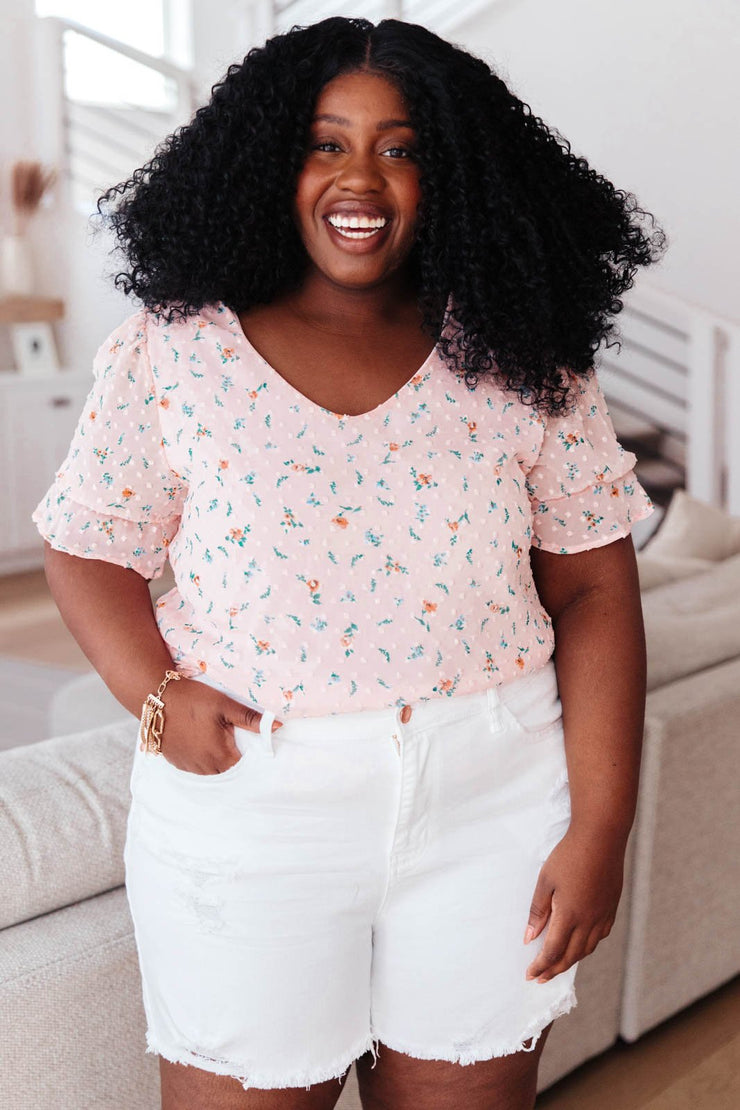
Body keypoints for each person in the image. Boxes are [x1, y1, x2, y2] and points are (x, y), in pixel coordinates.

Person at [33, 16, 666, 1110]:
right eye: (324, 143)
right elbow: (87, 545)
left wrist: (601, 827)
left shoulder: (525, 359)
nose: (360, 176)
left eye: (401, 147)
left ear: (453, 174)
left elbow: (596, 587)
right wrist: (154, 696)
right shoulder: (173, 348)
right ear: (266, 164)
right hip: (250, 802)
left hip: (493, 796)